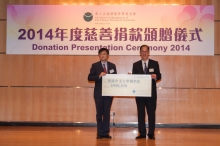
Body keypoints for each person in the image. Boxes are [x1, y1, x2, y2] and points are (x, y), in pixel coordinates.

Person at [132, 45, 161, 140]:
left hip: (151, 93)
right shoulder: (135, 65)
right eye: (142, 51)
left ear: (148, 52)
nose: (144, 53)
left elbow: (159, 76)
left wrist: (155, 76)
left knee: (151, 113)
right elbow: (134, 78)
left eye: (146, 51)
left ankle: (151, 133)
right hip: (140, 93)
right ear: (140, 53)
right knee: (141, 113)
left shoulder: (155, 63)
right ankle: (142, 133)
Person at [88, 48, 117, 139]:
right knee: (99, 113)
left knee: (107, 113)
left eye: (104, 54)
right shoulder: (95, 65)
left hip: (109, 93)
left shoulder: (112, 66)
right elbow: (90, 77)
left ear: (107, 56)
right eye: (100, 54)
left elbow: (115, 78)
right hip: (99, 93)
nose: (102, 55)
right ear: (99, 55)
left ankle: (106, 132)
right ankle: (100, 132)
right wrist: (99, 76)